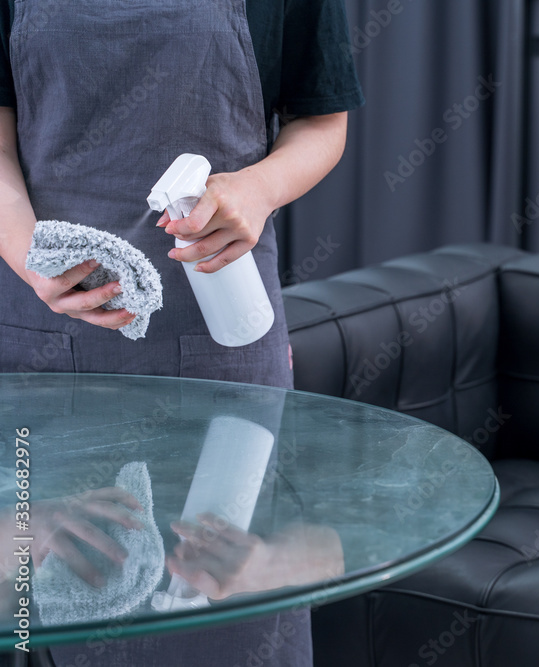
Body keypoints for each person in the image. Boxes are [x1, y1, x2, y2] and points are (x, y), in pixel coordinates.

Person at [0, 0, 363, 664]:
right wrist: (29, 255)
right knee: (55, 617)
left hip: (221, 354)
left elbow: (323, 119)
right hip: (48, 357)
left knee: (230, 609)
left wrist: (255, 190)